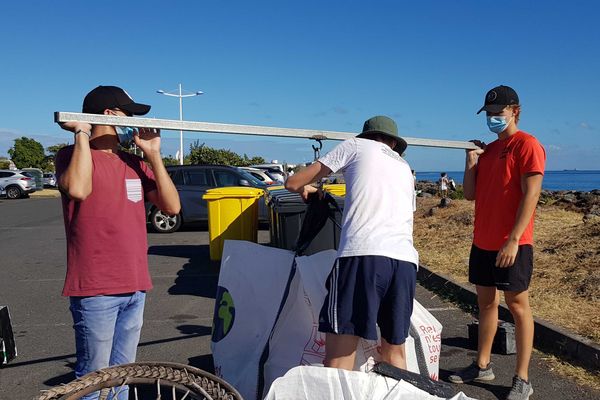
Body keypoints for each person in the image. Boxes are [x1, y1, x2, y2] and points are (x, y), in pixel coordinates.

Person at [55, 85, 181, 398]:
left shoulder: (134, 162)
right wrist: (81, 134)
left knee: (123, 376)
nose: (134, 123)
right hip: (96, 288)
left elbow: (172, 207)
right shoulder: (70, 156)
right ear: (109, 114)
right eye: (130, 114)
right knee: (92, 378)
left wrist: (152, 154)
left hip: (136, 284)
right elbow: (79, 189)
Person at [285, 115, 419, 371]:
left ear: (367, 136)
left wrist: (306, 188)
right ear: (393, 143)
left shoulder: (356, 146)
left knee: (338, 359)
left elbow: (293, 182)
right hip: (404, 263)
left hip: (363, 256)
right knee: (394, 356)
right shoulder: (404, 167)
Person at [448, 85, 545, 400]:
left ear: (515, 111)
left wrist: (514, 239)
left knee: (517, 306)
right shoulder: (488, 151)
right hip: (483, 242)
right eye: (488, 115)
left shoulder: (527, 145)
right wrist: (471, 161)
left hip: (513, 244)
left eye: (497, 114)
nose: (492, 119)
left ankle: (522, 379)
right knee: (485, 304)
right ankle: (482, 364)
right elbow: (471, 194)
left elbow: (531, 195)